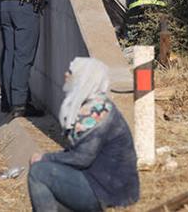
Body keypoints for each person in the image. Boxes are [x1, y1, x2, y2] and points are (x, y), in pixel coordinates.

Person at [28, 57, 140, 211]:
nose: (66, 75)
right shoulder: (95, 104)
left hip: (107, 192)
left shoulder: (96, 112)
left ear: (84, 79)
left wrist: (45, 158)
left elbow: (81, 158)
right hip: (102, 183)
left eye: (71, 72)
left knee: (38, 172)